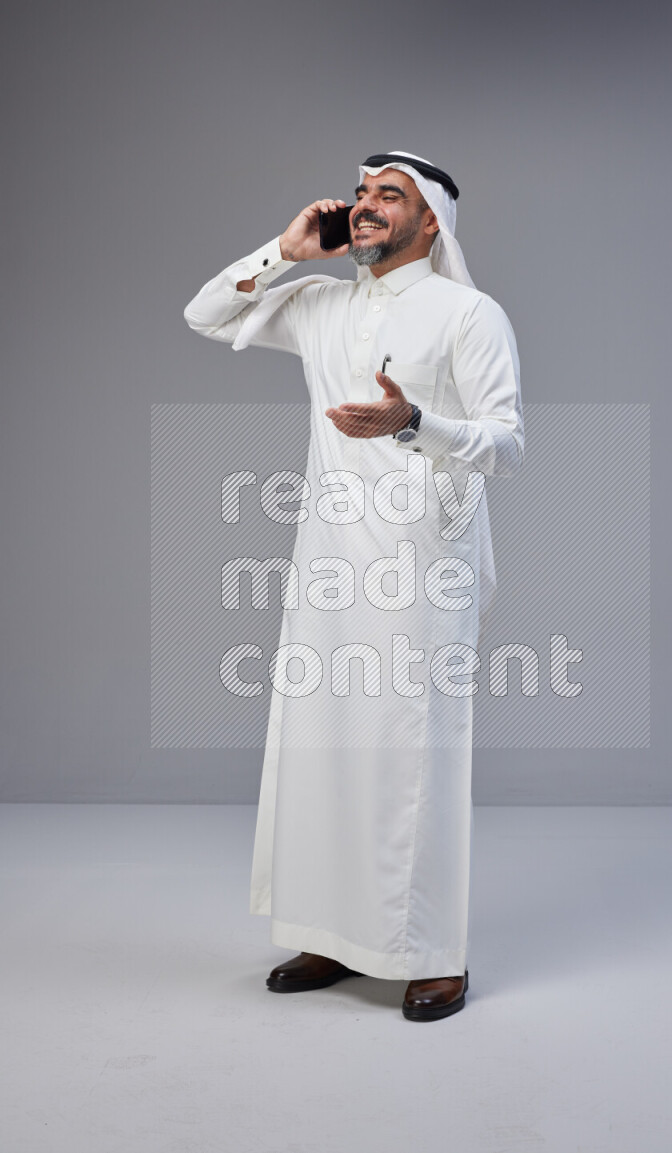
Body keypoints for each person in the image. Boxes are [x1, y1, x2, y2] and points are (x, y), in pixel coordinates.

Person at [184, 151, 524, 1021]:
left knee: (416, 752)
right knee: (322, 741)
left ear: (431, 222)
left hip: (423, 562)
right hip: (329, 560)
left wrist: (413, 422)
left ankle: (434, 951)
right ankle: (335, 934)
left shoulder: (469, 314)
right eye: (362, 193)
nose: (367, 206)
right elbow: (206, 313)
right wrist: (290, 250)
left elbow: (507, 443)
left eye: (390, 196)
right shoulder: (323, 303)